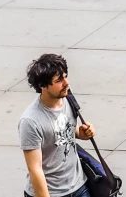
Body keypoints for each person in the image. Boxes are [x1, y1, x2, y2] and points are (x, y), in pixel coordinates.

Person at [19, 53, 96, 197]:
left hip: (79, 186)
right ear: (43, 85)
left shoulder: (67, 97)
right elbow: (35, 169)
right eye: (59, 80)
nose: (66, 83)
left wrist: (80, 133)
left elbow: (62, 132)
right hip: (52, 193)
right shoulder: (30, 121)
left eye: (65, 76)